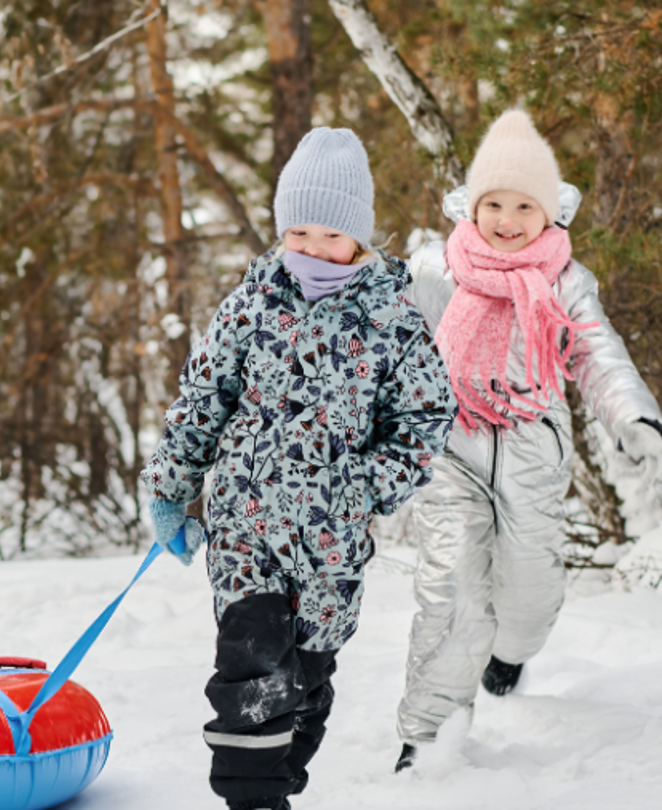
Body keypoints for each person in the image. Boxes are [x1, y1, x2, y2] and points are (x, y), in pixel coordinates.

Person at [141, 128, 457, 810]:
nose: (313, 248)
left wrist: (365, 485)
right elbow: (202, 398)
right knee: (251, 664)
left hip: (331, 544)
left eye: (330, 235)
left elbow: (425, 420)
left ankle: (281, 770)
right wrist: (171, 490)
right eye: (298, 231)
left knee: (305, 675)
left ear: (360, 239)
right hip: (244, 531)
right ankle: (252, 800)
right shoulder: (252, 304)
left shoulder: (391, 322)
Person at [392, 110, 662, 772]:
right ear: (472, 205)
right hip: (450, 445)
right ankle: (431, 733)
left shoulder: (564, 282)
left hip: (531, 451)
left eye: (524, 205)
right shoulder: (434, 268)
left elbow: (598, 353)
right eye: (494, 203)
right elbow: (381, 338)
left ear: (549, 215)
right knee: (452, 586)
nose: (508, 219)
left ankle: (510, 650)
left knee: (530, 590)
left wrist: (633, 417)